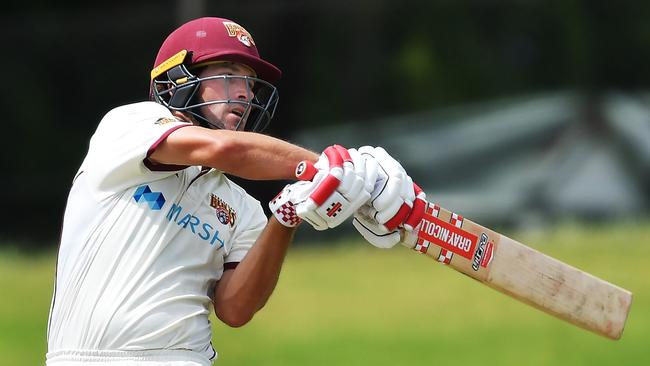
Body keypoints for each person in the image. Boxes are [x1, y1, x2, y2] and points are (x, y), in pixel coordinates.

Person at [46, 17, 424, 366]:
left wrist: (285, 218)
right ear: (176, 80)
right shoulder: (128, 126)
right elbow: (223, 149)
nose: (244, 93)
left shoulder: (241, 207)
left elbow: (236, 308)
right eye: (227, 75)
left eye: (248, 82)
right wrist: (331, 169)